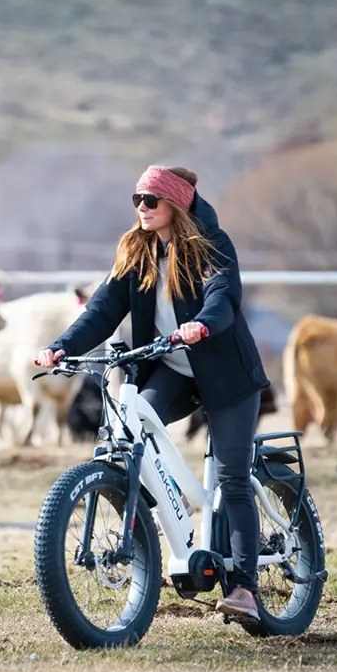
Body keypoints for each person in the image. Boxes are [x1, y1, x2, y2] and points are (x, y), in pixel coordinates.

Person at [35, 164, 270, 619]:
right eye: (137, 200)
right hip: (173, 370)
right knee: (134, 421)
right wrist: (60, 347)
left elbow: (223, 294)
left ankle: (245, 589)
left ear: (176, 204)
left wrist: (203, 323)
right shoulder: (136, 252)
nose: (142, 208)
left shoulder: (211, 246)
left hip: (227, 376)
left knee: (234, 480)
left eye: (151, 200)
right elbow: (102, 310)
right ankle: (158, 511)